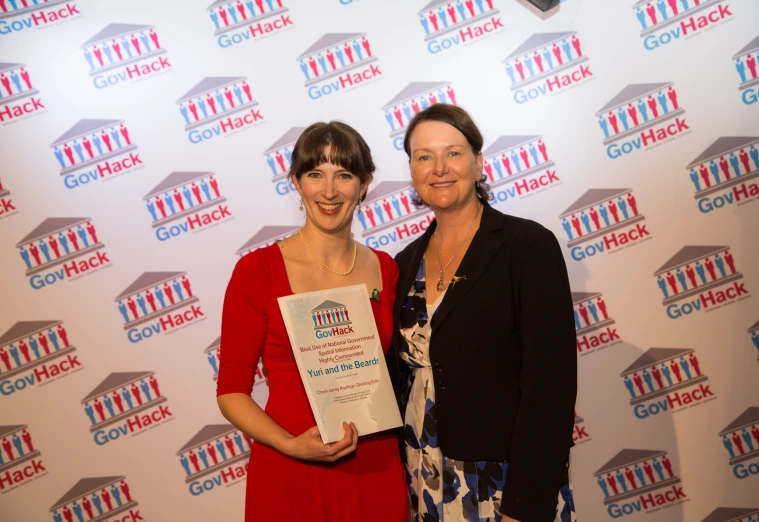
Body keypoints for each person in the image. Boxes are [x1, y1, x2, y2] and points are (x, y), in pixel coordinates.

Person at [389, 104, 577, 522]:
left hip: (504, 480)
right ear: (413, 171)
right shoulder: (403, 263)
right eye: (424, 157)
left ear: (479, 163)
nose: (439, 168)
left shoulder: (526, 246)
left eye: (453, 153)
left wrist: (526, 504)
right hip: (423, 474)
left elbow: (551, 387)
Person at [217, 121, 407, 521]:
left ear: (365, 183)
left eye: (344, 175)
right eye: (315, 174)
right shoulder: (258, 271)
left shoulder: (387, 270)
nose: (329, 190)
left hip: (375, 466)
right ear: (296, 182)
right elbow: (231, 391)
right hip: (291, 464)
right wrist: (288, 444)